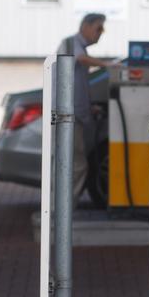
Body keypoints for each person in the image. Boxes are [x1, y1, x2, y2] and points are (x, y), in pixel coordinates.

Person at [55, 13, 113, 205]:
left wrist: (90, 107)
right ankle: (63, 208)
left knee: (73, 163)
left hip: (75, 115)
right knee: (77, 165)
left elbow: (78, 82)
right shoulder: (71, 44)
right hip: (67, 116)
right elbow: (81, 59)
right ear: (85, 26)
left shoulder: (77, 46)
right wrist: (108, 65)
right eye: (98, 28)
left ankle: (63, 207)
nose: (100, 33)